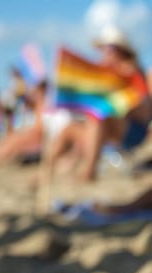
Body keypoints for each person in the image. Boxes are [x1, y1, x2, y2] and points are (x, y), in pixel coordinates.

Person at [46, 26, 152, 182]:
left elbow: (143, 111)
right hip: (108, 132)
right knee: (67, 130)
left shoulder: (131, 73)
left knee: (99, 115)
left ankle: (88, 173)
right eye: (103, 49)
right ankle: (46, 173)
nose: (104, 53)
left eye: (109, 49)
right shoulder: (105, 74)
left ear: (121, 50)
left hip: (132, 131)